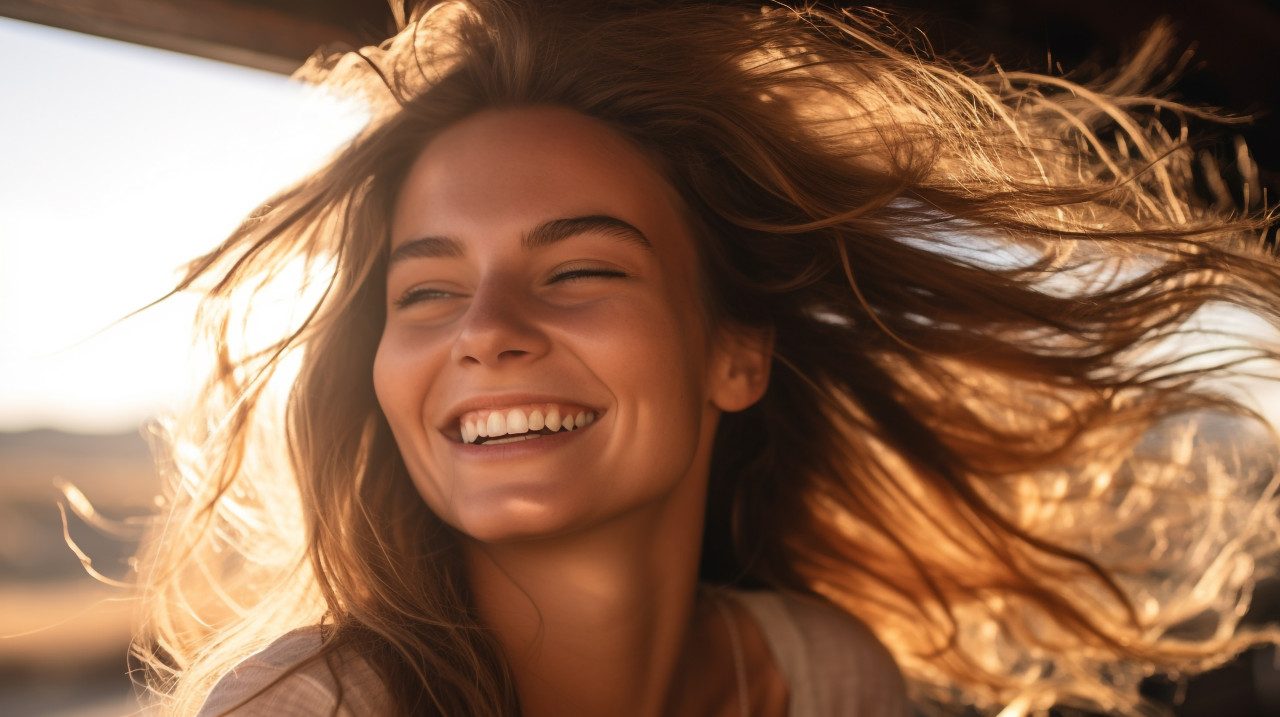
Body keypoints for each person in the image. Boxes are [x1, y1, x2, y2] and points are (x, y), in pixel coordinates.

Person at [131, 1, 1280, 715]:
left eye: (579, 270)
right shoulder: (312, 709)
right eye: (426, 291)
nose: (483, 328)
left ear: (733, 356)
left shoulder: (826, 679)